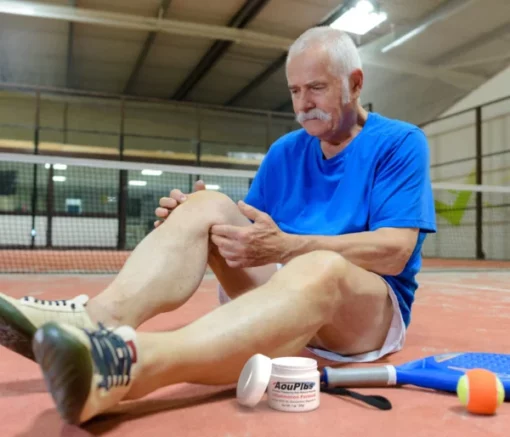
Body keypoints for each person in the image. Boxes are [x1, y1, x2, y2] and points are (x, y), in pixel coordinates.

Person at [0, 27, 436, 425]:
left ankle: (129, 363)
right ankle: (96, 320)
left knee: (321, 265)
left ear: (355, 84)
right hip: (289, 292)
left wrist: (289, 247)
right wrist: (190, 219)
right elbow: (250, 233)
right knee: (206, 204)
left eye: (317, 88)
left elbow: (394, 251)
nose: (303, 104)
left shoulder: (399, 143)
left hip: (365, 314)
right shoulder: (285, 151)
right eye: (295, 91)